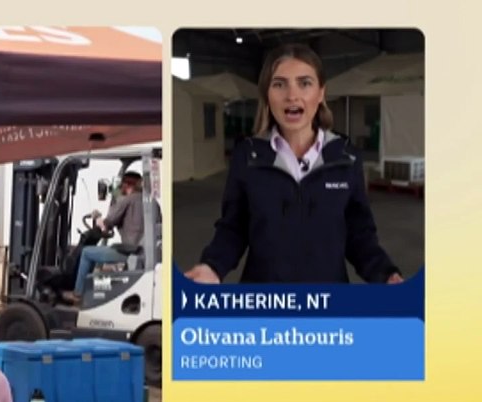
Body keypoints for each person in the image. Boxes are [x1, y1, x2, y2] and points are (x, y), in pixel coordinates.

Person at [184, 43, 404, 285]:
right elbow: (234, 228)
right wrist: (212, 266)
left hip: (327, 306)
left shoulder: (346, 158)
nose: (292, 95)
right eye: (279, 84)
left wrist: (386, 275)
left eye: (305, 83)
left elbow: (359, 236)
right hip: (265, 305)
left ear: (321, 93)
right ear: (267, 94)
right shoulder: (248, 157)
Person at [64, 171, 162, 304]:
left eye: (121, 185)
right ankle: (91, 289)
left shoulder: (127, 200)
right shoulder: (153, 202)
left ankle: (78, 293)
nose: (120, 188)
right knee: (98, 253)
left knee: (87, 253)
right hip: (146, 252)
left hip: (130, 252)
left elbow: (106, 224)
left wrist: (96, 217)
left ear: (127, 185)